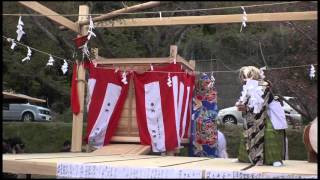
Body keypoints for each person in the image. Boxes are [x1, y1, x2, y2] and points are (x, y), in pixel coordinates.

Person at [236, 66, 288, 166]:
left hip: (266, 114)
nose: (245, 78)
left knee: (269, 133)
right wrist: (240, 105)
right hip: (252, 116)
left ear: (254, 75)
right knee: (246, 133)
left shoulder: (264, 86)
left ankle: (274, 159)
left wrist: (245, 107)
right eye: (243, 76)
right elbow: (244, 100)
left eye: (247, 76)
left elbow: (261, 104)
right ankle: (245, 158)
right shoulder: (247, 87)